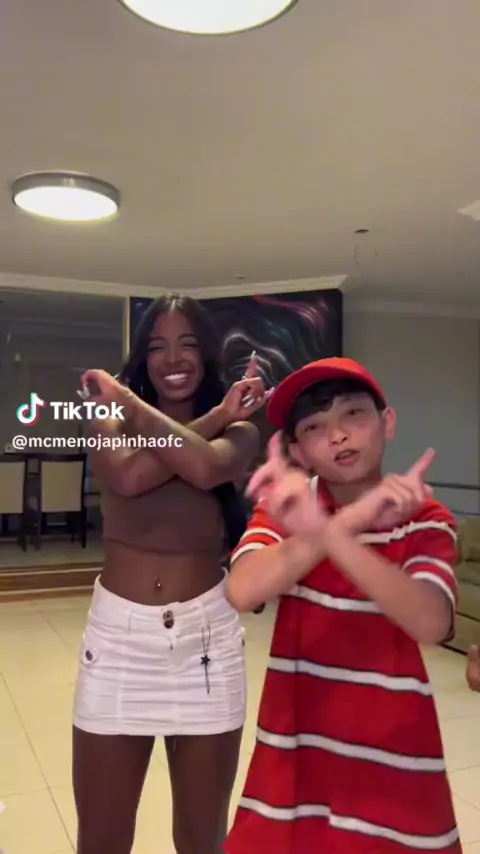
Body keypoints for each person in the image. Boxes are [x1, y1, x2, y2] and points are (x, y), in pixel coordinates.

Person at [224, 357, 461, 853]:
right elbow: (242, 590)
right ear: (297, 451)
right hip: (293, 765)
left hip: (393, 768)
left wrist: (329, 532)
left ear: (387, 422)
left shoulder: (423, 516)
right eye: (314, 426)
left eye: (353, 413)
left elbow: (430, 622)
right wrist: (349, 521)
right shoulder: (286, 509)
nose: (337, 435)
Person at [72, 294, 268, 854]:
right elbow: (129, 477)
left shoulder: (242, 432)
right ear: (143, 356)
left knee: (201, 840)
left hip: (206, 640)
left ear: (206, 355)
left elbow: (204, 466)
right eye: (157, 347)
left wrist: (218, 419)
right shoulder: (110, 417)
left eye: (187, 344)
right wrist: (210, 415)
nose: (173, 359)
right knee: (102, 841)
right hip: (118, 643)